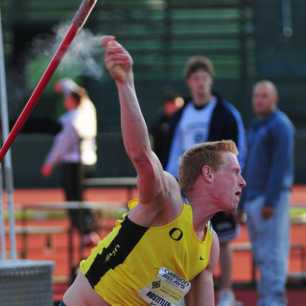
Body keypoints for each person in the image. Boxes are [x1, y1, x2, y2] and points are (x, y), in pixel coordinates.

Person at [58, 36, 246, 306]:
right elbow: (141, 155)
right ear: (208, 174)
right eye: (235, 171)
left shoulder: (209, 246)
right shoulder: (167, 199)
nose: (243, 181)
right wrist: (125, 83)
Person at [166, 55, 246, 306]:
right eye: (195, 78)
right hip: (187, 190)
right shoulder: (181, 115)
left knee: (222, 240)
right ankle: (181, 294)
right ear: (189, 82)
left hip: (217, 187)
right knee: (182, 240)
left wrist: (235, 187)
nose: (200, 83)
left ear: (210, 81)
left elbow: (238, 151)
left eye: (204, 78)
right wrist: (170, 183)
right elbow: (173, 152)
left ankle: (226, 293)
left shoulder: (226, 113)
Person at [239, 81, 294, 306]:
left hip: (271, 199)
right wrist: (241, 201)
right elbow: (247, 165)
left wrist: (270, 201)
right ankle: (267, 299)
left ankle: (274, 301)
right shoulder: (255, 125)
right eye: (256, 96)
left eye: (264, 96)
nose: (259, 100)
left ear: (275, 99)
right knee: (261, 253)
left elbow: (280, 166)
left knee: (273, 253)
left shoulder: (281, 125)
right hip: (253, 197)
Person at [41, 79, 99, 247]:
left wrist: (49, 162)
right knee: (80, 197)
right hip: (89, 161)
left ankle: (86, 232)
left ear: (73, 100)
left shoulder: (72, 120)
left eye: (67, 97)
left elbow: (62, 144)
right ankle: (89, 230)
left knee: (73, 200)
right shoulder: (89, 108)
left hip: (74, 164)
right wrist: (64, 83)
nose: (65, 100)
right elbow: (78, 93)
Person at [151, 91, 184, 167]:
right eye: (172, 104)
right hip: (162, 162)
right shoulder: (160, 123)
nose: (175, 107)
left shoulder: (181, 120)